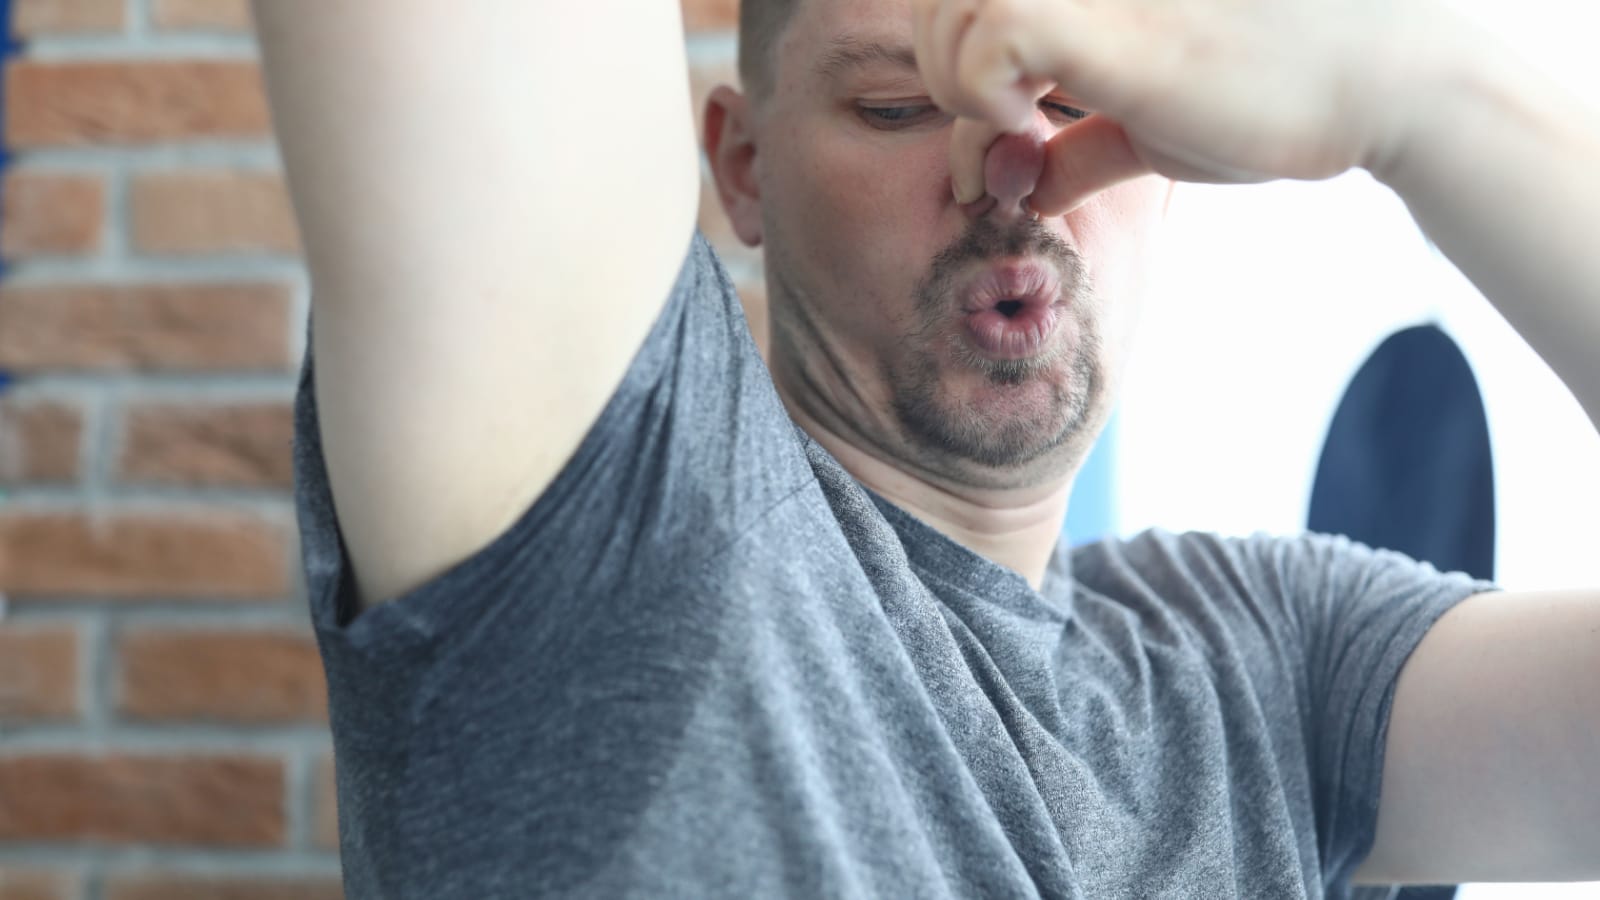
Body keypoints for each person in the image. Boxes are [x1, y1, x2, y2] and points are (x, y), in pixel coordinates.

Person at [250, 0, 1600, 896]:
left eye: (1078, 104)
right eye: (895, 107)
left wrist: (1431, 101)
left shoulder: (1282, 659)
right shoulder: (630, 528)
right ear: (742, 167)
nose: (1004, 170)